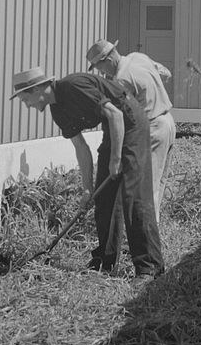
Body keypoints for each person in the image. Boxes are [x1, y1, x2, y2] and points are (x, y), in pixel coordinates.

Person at [9, 65, 164, 281]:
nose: (27, 105)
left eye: (25, 99)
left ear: (36, 90)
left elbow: (116, 114)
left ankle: (149, 267)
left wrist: (116, 159)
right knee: (103, 199)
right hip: (114, 129)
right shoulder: (58, 111)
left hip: (131, 123)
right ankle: (105, 262)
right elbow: (81, 148)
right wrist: (87, 189)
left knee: (133, 197)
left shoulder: (73, 86)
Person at [86, 39, 176, 224]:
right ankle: (153, 232)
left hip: (153, 128)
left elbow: (122, 117)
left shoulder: (120, 80)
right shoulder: (138, 57)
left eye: (100, 67)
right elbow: (165, 73)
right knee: (158, 183)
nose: (102, 73)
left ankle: (148, 240)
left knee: (146, 189)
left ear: (108, 60)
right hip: (168, 121)